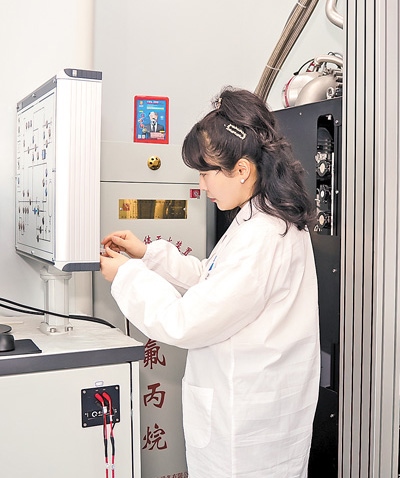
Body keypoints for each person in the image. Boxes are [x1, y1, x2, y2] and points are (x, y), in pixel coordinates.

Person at [100, 87, 320, 478]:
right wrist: (148, 255)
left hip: (247, 431)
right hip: (243, 412)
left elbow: (185, 322)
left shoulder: (263, 236)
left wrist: (127, 277)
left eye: (205, 173)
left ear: (242, 170)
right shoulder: (258, 217)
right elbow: (212, 278)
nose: (201, 186)